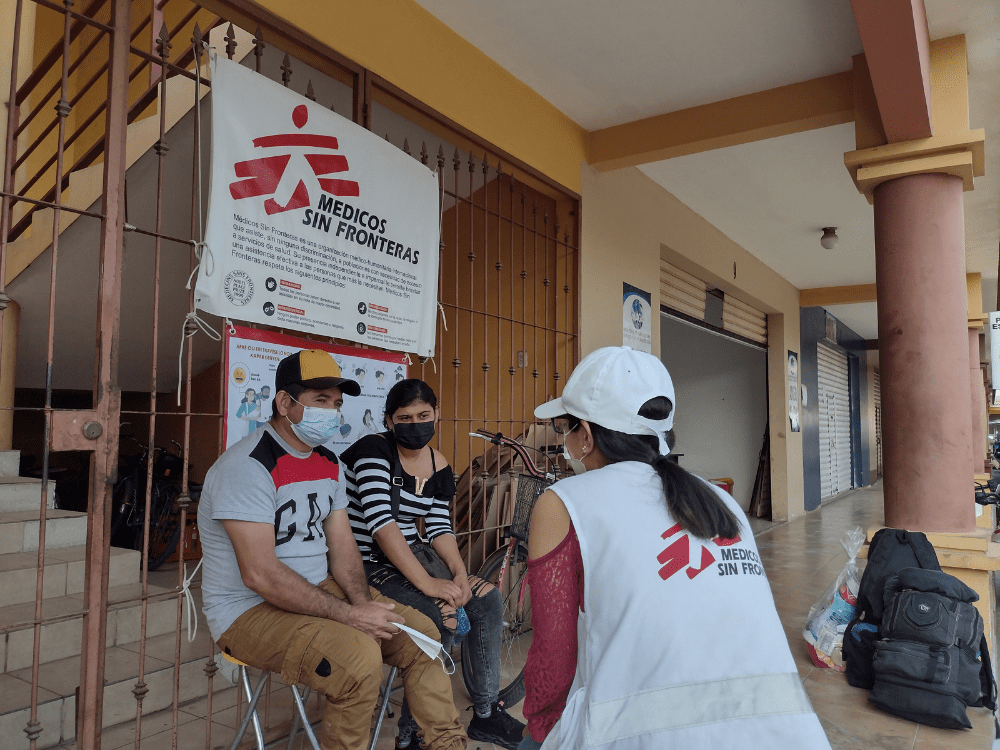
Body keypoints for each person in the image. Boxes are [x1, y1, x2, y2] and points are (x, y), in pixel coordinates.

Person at [519, 346, 831, 750]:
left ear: (587, 436)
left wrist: (539, 732)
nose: (566, 438)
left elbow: (553, 660)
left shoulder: (565, 503)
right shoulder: (718, 500)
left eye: (566, 427)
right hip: (787, 734)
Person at [199, 350, 467, 750]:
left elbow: (343, 549)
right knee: (359, 659)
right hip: (247, 610)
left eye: (337, 403)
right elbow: (260, 575)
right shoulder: (247, 466)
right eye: (320, 400)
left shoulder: (328, 463)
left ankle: (447, 743)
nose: (332, 412)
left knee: (424, 637)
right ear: (285, 403)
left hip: (317, 590)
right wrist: (350, 615)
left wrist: (362, 604)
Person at [340, 379, 526, 750]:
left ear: (437, 413)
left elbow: (439, 526)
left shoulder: (438, 464)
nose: (415, 424)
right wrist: (429, 584)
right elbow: (382, 524)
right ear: (389, 421)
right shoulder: (373, 451)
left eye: (424, 415)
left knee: (486, 599)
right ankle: (412, 736)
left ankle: (486, 714)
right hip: (368, 565)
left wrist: (458, 573)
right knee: (441, 615)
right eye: (404, 418)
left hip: (413, 558)